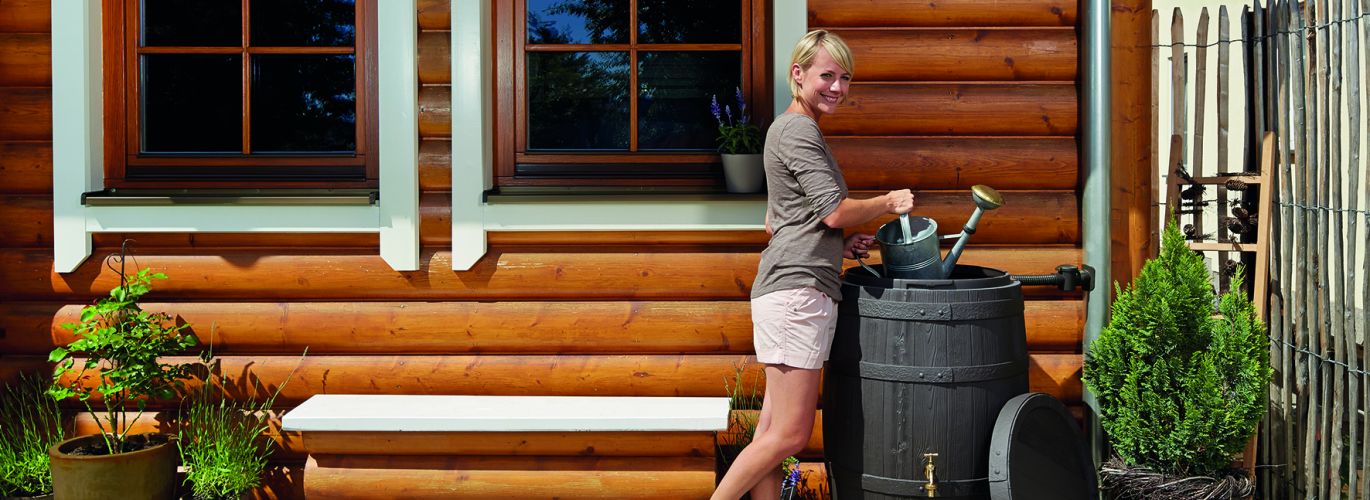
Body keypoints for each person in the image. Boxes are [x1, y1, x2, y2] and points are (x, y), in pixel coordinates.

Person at [711, 30, 915, 500]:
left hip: (789, 288)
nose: (838, 87)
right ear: (798, 74)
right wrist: (887, 201)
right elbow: (833, 211)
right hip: (797, 294)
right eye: (828, 75)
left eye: (845, 78)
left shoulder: (789, 129)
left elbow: (779, 220)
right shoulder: (799, 130)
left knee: (770, 435)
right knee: (791, 436)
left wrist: (836, 245)